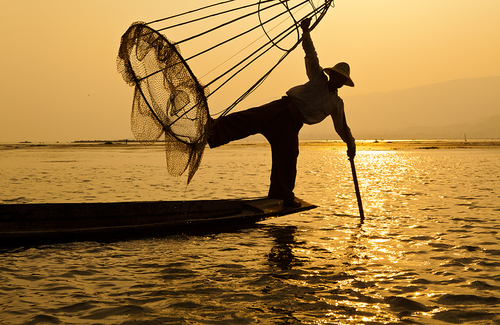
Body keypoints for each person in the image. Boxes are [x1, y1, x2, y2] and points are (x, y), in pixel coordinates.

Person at [208, 18, 356, 207]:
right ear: (332, 75)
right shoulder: (318, 77)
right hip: (282, 109)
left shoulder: (337, 103)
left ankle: (282, 194)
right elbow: (311, 53)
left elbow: (342, 127)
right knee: (249, 119)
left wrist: (351, 145)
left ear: (343, 83)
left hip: (292, 124)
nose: (338, 80)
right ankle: (213, 130)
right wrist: (306, 31)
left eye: (341, 79)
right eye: (336, 76)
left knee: (288, 157)